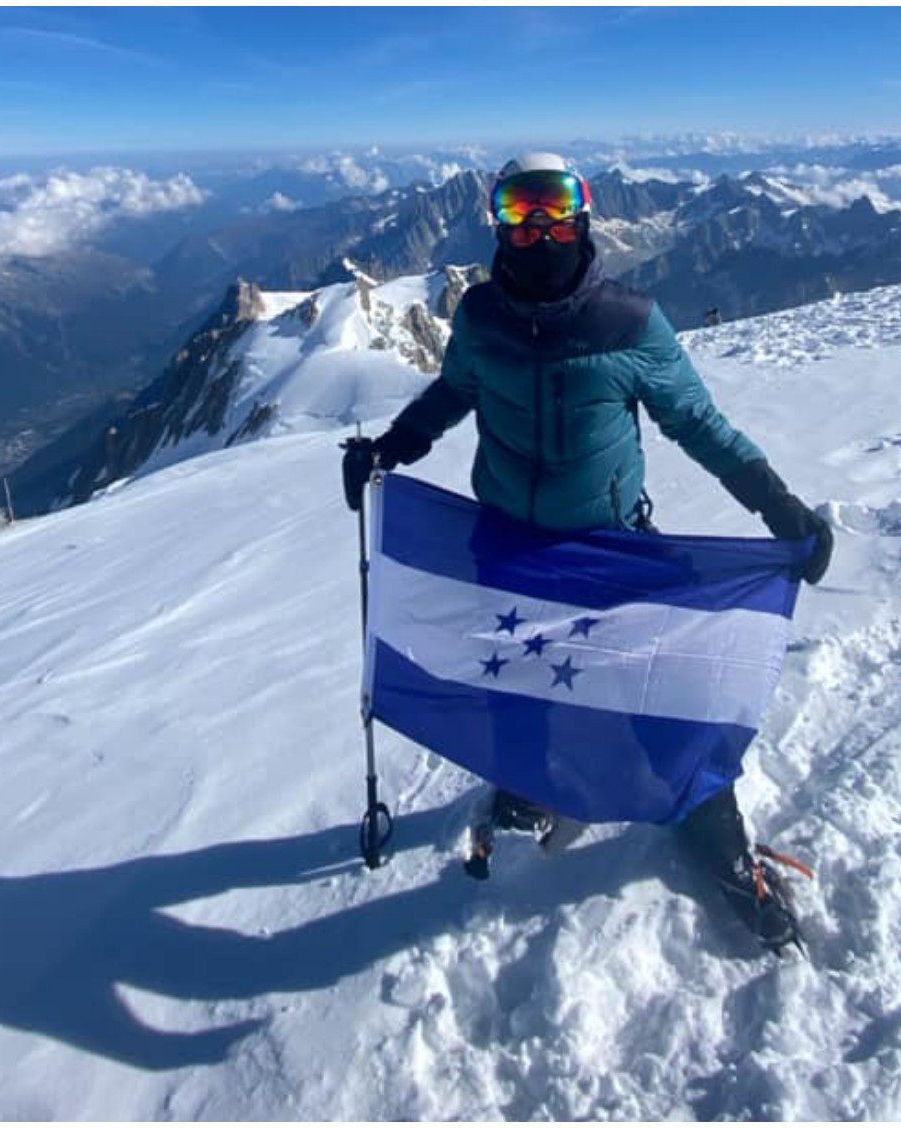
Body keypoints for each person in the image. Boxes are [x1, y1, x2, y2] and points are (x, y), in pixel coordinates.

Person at [340, 154, 833, 953]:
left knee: (660, 696)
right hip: (506, 545)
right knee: (519, 678)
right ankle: (532, 786)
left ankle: (719, 839)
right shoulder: (481, 318)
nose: (541, 229)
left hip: (607, 549)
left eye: (557, 210)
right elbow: (454, 392)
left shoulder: (629, 322)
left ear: (585, 216)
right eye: (522, 210)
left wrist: (779, 507)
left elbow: (700, 425)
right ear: (497, 220)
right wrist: (390, 448)